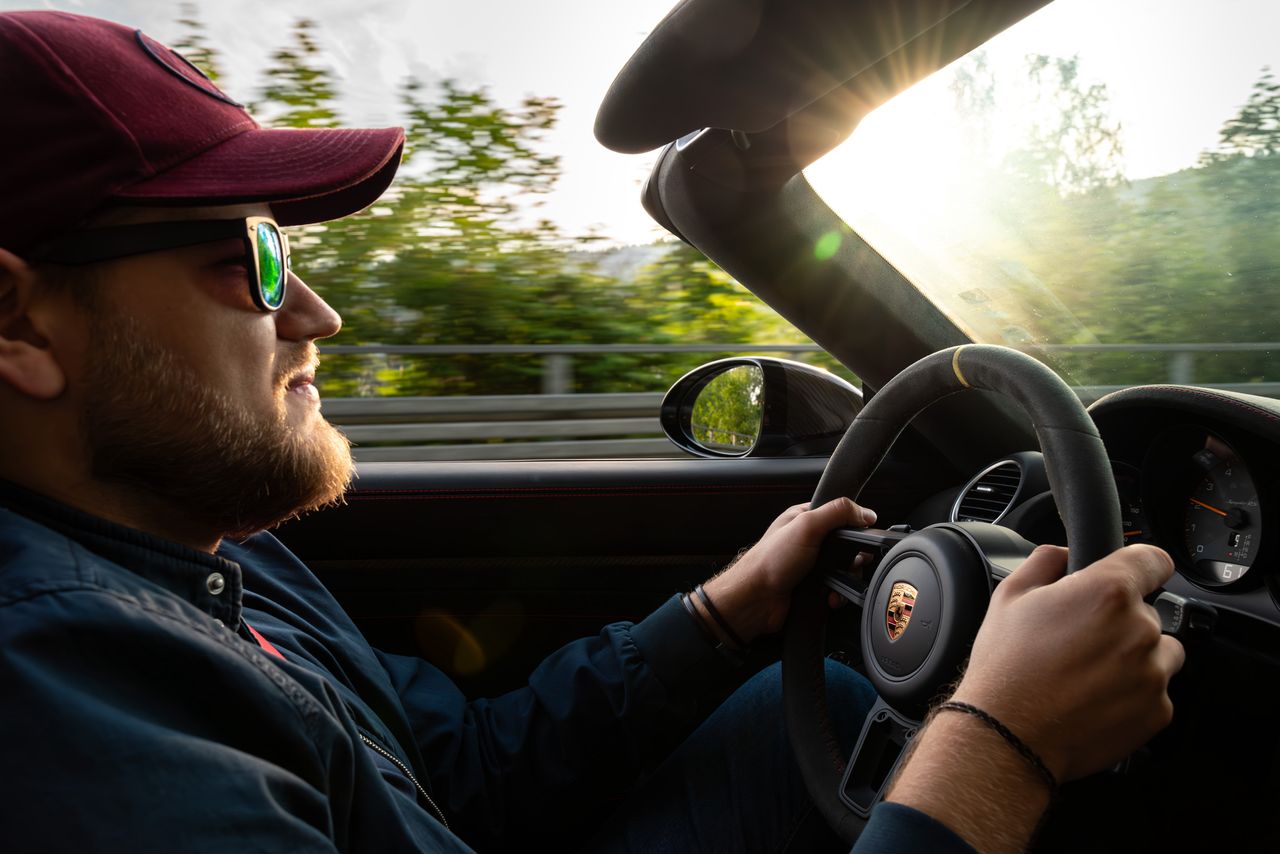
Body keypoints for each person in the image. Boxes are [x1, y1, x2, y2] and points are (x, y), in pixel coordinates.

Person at [0, 10, 1182, 853]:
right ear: (19, 323)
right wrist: (998, 747)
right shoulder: (58, 691)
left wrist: (722, 615)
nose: (315, 311)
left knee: (792, 708)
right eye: (248, 257)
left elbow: (460, 772)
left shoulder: (206, 549)